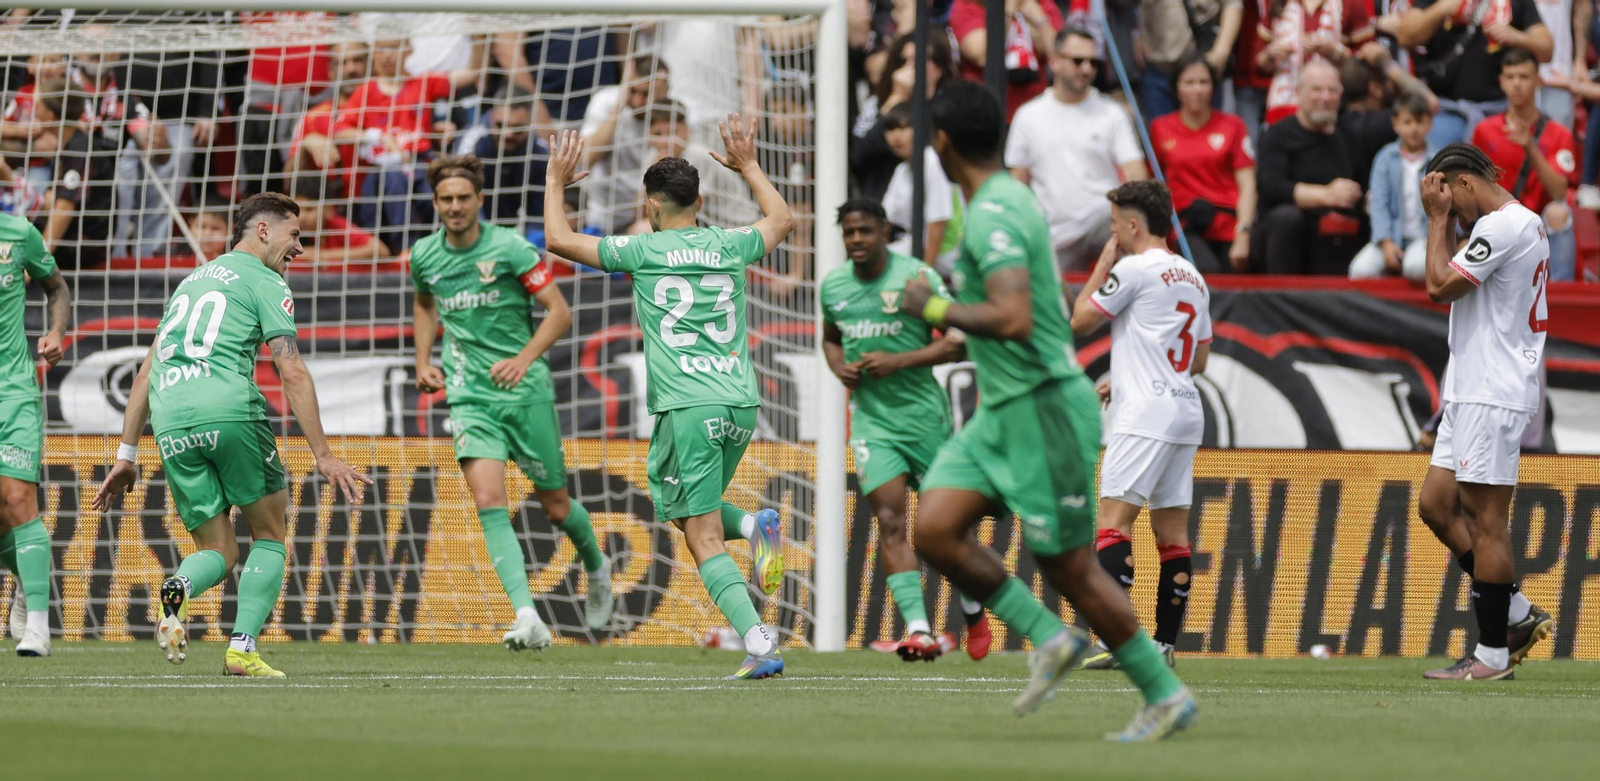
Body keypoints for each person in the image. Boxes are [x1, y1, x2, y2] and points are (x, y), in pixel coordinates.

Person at [897, 81, 1196, 741]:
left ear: (941, 142)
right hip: (1002, 410)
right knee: (936, 528)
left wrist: (935, 307)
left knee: (1071, 566)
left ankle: (1163, 690)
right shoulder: (993, 202)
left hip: (1042, 410)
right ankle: (1046, 635)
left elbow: (1013, 315)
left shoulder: (997, 210)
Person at [542, 119, 792, 680]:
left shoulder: (643, 250)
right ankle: (755, 529)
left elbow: (558, 240)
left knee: (700, 535)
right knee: (681, 510)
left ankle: (759, 642)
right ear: (699, 200)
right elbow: (782, 219)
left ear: (649, 203)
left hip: (689, 404)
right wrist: (749, 165)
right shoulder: (730, 243)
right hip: (738, 402)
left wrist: (557, 181)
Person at [91, 193, 373, 677]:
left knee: (217, 552)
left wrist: (126, 454)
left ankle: (178, 587)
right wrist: (323, 455)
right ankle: (242, 650)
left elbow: (145, 372)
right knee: (269, 534)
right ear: (263, 231)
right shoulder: (266, 280)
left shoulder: (190, 284)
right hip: (229, 411)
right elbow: (292, 370)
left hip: (172, 418)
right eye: (295, 236)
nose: (300, 249)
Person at [407, 154, 611, 649]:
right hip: (470, 395)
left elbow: (559, 314)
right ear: (436, 203)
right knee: (487, 500)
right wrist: (422, 360)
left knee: (557, 507)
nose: (454, 207)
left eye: (463, 198)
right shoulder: (424, 256)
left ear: (479, 200)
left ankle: (597, 563)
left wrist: (522, 359)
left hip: (525, 393)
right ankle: (527, 615)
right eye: (446, 199)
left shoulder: (511, 249)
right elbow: (425, 302)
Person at [820, 199, 991, 663]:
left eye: (865, 231)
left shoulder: (916, 278)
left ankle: (974, 607)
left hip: (924, 420)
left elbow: (957, 343)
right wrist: (840, 369)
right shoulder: (833, 286)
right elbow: (831, 339)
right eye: (849, 232)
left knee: (945, 524)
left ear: (883, 231)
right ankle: (919, 628)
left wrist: (899, 361)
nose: (856, 240)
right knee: (892, 521)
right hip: (873, 424)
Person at [1415, 144, 1556, 680]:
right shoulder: (1523, 223)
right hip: (1471, 388)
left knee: (1487, 522)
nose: (1453, 209)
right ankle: (1516, 613)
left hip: (1491, 391)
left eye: (1452, 196)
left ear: (1465, 184)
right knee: (1435, 505)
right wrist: (1449, 220)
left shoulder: (1502, 228)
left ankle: (1494, 655)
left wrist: (1437, 220)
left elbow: (1437, 286)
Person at [1067, 179, 1211, 672]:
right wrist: (1124, 376)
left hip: (1145, 414)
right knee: (1172, 536)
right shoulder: (1193, 276)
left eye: (1114, 225)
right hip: (1185, 409)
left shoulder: (1132, 267)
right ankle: (1164, 646)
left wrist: (1102, 265)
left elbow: (1080, 319)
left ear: (1132, 224)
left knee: (1112, 525)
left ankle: (1118, 640)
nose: (1112, 234)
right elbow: (1199, 359)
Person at [1007, 28, 1149, 272]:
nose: (1086, 69)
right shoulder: (1028, 116)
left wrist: (1132, 219)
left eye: (1093, 62)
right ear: (1054, 62)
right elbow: (1017, 183)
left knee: (1126, 227)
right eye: (1078, 61)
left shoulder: (1112, 112)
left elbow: (1135, 171)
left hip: (1103, 222)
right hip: (1052, 234)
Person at [0, 212, 70, 657]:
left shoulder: (17, 231)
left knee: (18, 498)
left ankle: (39, 630)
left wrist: (57, 331)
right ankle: (29, 579)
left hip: (12, 388)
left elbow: (57, 287)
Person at [1471, 48, 1580, 281]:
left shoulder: (1559, 133)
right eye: (1510, 77)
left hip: (1540, 223)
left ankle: (1560, 295)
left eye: (1524, 77)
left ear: (1538, 81)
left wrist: (1531, 146)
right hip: (1500, 222)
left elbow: (1559, 192)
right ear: (1501, 82)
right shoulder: (1485, 130)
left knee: (1559, 213)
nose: (1516, 84)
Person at [1253, 59, 1367, 274]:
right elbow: (1271, 186)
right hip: (1286, 238)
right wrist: (1325, 195)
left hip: (1334, 237)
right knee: (1286, 218)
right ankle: (1282, 298)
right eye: (1317, 90)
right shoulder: (1276, 135)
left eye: (1332, 90)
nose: (1325, 97)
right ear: (1298, 92)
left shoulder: (1350, 137)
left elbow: (1363, 184)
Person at [1149, 56, 1257, 272]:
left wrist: (1243, 233)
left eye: (1203, 82)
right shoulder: (1159, 128)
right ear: (1176, 88)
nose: (1197, 90)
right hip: (1184, 227)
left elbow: (1248, 185)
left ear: (1213, 88)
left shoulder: (1233, 125)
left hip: (1229, 225)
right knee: (1207, 273)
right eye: (1189, 82)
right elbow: (1151, 185)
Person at [1400, 0, 1554, 146]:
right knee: (1435, 166)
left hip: (1499, 112)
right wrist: (1443, 8)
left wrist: (1516, 37)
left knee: (1502, 168)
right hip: (1447, 110)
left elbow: (1547, 50)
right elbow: (1405, 36)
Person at [1350, 90, 1439, 279]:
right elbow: (1378, 203)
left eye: (1419, 121)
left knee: (1414, 268)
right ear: (1396, 124)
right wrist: (1385, 242)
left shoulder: (1438, 160)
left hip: (1424, 237)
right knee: (1359, 271)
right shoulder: (1385, 158)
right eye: (1407, 122)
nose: (1414, 128)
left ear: (1430, 124)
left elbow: (1445, 207)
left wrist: (1435, 238)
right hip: (1390, 236)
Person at [37, 82, 117, 270]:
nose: (34, 113)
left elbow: (64, 208)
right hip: (73, 236)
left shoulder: (80, 150)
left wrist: (38, 262)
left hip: (83, 244)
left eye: (38, 107)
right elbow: (53, 201)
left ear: (49, 117)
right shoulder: (69, 145)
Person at [1257, 0, 1375, 126]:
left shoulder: (1349, 4)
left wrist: (1335, 51)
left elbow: (1368, 63)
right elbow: (1257, 64)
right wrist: (1270, 54)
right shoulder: (1279, 4)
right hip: (1284, 107)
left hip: (1335, 108)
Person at [948, 0, 1066, 121]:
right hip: (985, 115)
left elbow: (1061, 58)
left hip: (1035, 113)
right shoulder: (968, 4)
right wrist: (1009, 13)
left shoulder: (1039, 3)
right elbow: (982, 55)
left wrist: (1040, 21)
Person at [456, 86, 549, 230]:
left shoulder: (540, 152)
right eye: (501, 125)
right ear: (491, 116)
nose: (508, 134)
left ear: (530, 123)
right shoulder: (472, 143)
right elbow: (459, 195)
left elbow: (539, 212)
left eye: (517, 128)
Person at [879, 104, 959, 269]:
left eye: (904, 128)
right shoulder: (901, 170)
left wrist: (925, 274)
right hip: (915, 245)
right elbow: (884, 220)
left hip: (948, 254)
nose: (896, 137)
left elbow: (938, 224)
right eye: (890, 130)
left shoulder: (932, 161)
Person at [1137, 0, 1244, 120]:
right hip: (1158, 68)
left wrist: (1221, 53)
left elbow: (1232, 4)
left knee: (1207, 133)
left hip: (1202, 66)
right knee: (1158, 134)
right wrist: (1135, 35)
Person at [289, 173, 396, 271]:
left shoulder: (336, 226)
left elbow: (380, 250)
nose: (302, 217)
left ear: (329, 210)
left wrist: (323, 255)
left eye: (309, 209)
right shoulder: (289, 227)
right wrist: (308, 254)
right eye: (297, 210)